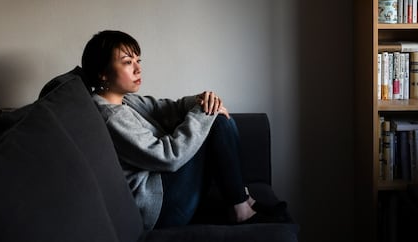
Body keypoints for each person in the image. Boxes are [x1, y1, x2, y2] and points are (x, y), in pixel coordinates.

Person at [81, 30, 285, 231]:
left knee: (212, 114)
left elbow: (169, 108)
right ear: (103, 72)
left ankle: (242, 200)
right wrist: (205, 113)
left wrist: (202, 100)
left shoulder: (126, 101)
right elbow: (166, 157)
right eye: (127, 62)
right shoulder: (111, 117)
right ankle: (242, 208)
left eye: (138, 61)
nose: (137, 69)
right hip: (161, 209)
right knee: (215, 120)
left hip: (167, 192)